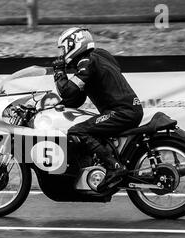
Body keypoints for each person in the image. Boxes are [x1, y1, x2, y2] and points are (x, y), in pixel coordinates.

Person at [52, 27, 143, 192]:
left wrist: (59, 72)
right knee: (87, 128)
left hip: (121, 112)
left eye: (63, 49)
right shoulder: (99, 56)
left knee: (77, 132)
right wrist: (60, 103)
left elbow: (68, 91)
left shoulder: (87, 62)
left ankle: (115, 167)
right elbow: (76, 98)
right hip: (129, 110)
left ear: (74, 44)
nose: (62, 54)